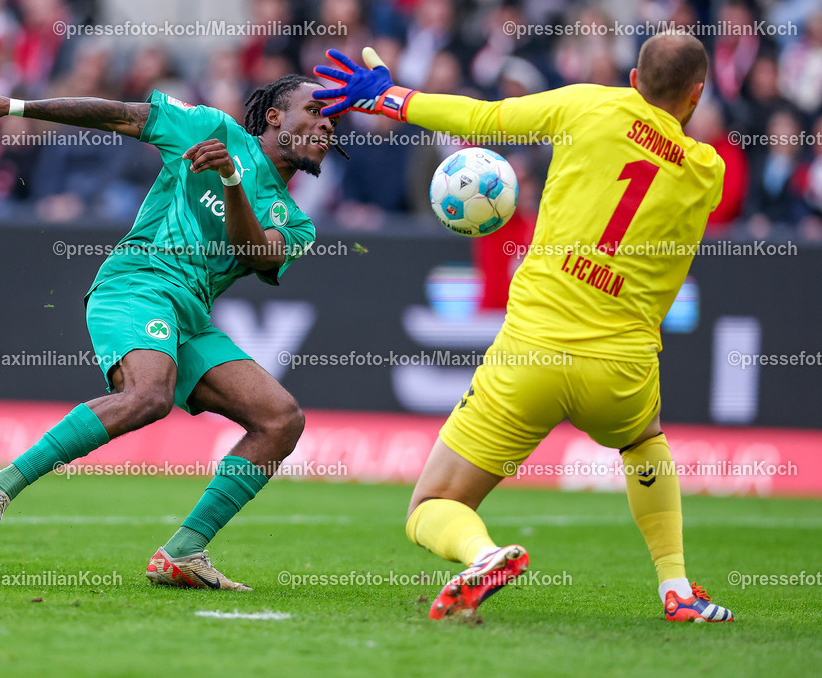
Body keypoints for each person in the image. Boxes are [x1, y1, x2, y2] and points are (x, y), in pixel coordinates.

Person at [313, 34, 734, 622]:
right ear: (698, 94)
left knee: (430, 504)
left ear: (633, 81)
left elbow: (483, 118)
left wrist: (394, 99)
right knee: (643, 442)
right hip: (620, 370)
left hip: (530, 356)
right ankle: (677, 588)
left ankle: (483, 555)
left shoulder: (588, 105)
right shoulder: (707, 170)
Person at [0, 69, 339, 591]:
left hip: (190, 315)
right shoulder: (210, 129)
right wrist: (17, 107)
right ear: (275, 118)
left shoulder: (295, 219)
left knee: (281, 419)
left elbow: (255, 252)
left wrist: (230, 183)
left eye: (333, 119)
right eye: (314, 111)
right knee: (149, 394)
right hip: (138, 281)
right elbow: (118, 115)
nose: (327, 125)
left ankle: (184, 552)